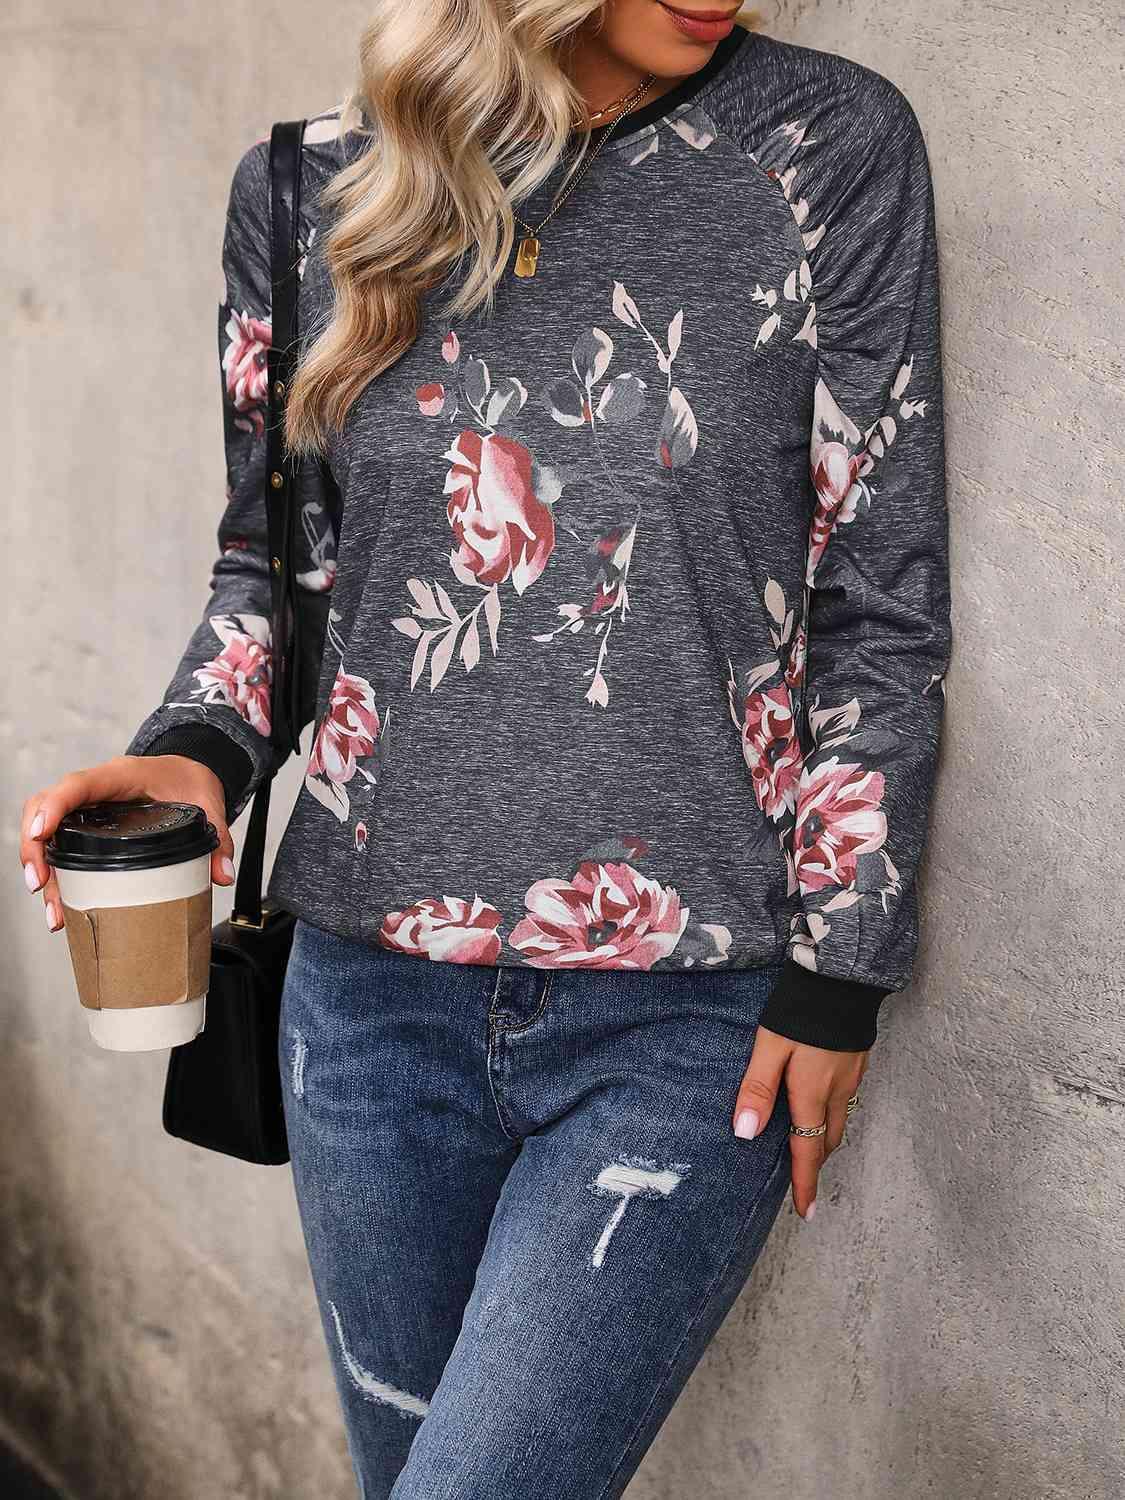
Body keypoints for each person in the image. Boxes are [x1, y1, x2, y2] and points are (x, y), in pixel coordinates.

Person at [19, 2, 951, 1494]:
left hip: (687, 1019)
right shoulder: (304, 191)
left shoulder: (822, 148)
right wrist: (192, 757)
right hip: (367, 1011)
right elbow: (273, 579)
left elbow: (878, 607)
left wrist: (841, 968)